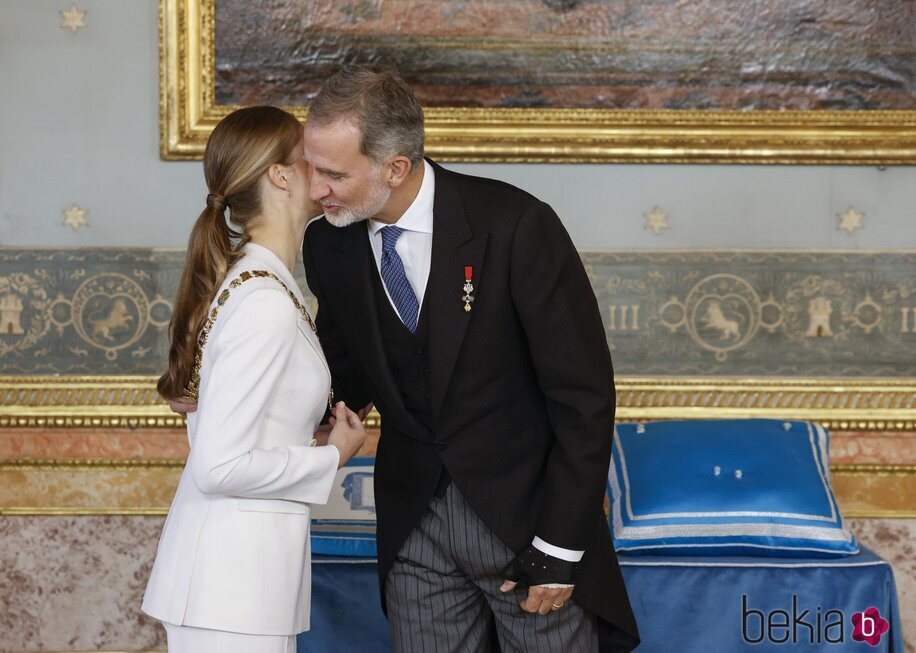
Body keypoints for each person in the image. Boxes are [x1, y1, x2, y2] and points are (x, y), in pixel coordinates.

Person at [300, 68, 639, 652]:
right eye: (311, 167)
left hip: (528, 527)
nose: (314, 189)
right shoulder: (327, 242)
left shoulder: (516, 226)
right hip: (414, 529)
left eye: (332, 173)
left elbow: (583, 396)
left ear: (395, 168)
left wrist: (561, 545)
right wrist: (230, 392)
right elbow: (342, 372)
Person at [142, 105, 367, 653]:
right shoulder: (264, 299)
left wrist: (301, 434)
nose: (327, 171)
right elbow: (219, 465)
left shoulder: (266, 284)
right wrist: (332, 456)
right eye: (311, 158)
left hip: (243, 582)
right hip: (231, 586)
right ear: (281, 175)